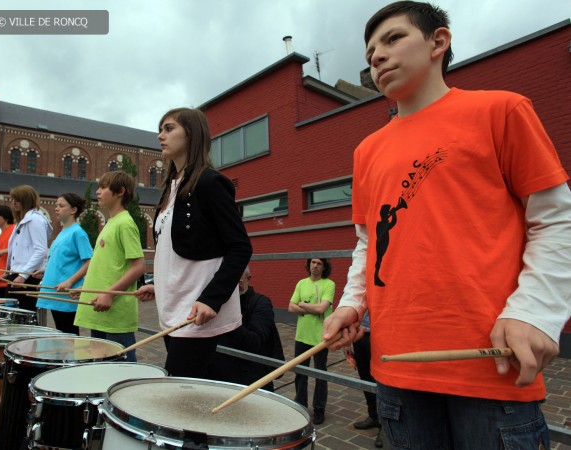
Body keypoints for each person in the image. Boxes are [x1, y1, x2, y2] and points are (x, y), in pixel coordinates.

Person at [322, 2, 571, 449]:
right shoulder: (366, 151)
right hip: (396, 367)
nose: (376, 55)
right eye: (369, 52)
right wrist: (352, 305)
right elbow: (367, 244)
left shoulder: (502, 111)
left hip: (488, 368)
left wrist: (534, 312)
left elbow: (556, 220)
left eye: (393, 39)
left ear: (438, 42)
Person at [135, 107, 252, 379]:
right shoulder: (169, 189)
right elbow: (174, 251)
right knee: (188, 391)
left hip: (197, 311)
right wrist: (159, 284)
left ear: (192, 134)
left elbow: (240, 246)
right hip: (172, 306)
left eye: (169, 128)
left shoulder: (211, 182)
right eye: (160, 129)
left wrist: (211, 299)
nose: (160, 136)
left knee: (178, 390)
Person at [74, 171, 145, 362]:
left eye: (103, 187)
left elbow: (138, 267)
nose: (97, 192)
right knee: (101, 371)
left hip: (115, 316)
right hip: (99, 310)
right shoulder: (111, 223)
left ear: (120, 191)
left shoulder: (125, 224)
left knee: (121, 374)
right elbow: (105, 267)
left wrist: (110, 294)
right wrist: (86, 289)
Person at [207, 266, 284, 391]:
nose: (232, 286)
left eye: (237, 281)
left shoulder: (261, 303)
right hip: (220, 376)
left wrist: (229, 315)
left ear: (248, 279)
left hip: (250, 379)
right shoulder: (218, 303)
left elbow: (253, 342)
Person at [36, 193, 93, 335]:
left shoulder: (78, 233)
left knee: (68, 337)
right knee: (61, 337)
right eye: (56, 205)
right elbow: (61, 260)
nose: (56, 209)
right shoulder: (62, 232)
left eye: (61, 206)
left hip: (65, 296)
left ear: (73, 210)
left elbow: (90, 262)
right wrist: (45, 271)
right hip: (53, 292)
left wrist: (69, 282)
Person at [288, 257, 335, 425]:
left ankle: (319, 409)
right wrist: (311, 308)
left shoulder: (328, 284)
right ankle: (301, 404)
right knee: (300, 373)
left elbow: (322, 308)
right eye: (313, 262)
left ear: (324, 267)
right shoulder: (301, 283)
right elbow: (290, 307)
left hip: (321, 337)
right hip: (302, 335)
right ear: (309, 265)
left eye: (319, 263)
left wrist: (302, 305)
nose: (315, 265)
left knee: (320, 374)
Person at [6, 185, 52, 311]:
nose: (13, 203)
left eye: (17, 200)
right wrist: (9, 270)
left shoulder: (35, 220)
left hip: (27, 276)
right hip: (18, 274)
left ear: (26, 201)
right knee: (11, 313)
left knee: (23, 315)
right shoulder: (23, 220)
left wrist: (22, 276)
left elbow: (41, 250)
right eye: (13, 199)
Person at [349, 311, 383, 448]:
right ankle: (373, 416)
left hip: (378, 335)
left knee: (380, 381)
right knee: (365, 378)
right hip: (359, 335)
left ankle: (385, 427)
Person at [0, 205, 15, 298]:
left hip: (7, 279)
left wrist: (1, 251)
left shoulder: (13, 230)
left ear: (6, 217)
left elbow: (20, 249)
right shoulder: (1, 235)